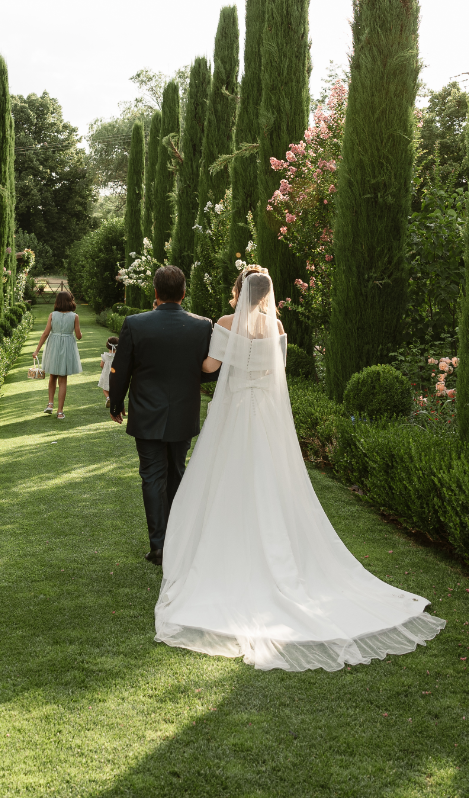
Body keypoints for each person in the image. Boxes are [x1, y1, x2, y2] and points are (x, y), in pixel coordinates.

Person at [153, 266, 445, 671]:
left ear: (240, 291)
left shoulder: (224, 322)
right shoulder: (275, 324)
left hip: (235, 410)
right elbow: (276, 372)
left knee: (226, 480)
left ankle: (228, 546)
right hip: (263, 414)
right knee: (269, 480)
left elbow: (209, 368)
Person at [107, 266, 221, 564]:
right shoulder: (202, 325)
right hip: (183, 414)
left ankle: (159, 545)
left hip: (146, 414)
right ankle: (179, 540)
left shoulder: (135, 323)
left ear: (155, 293)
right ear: (184, 293)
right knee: (177, 472)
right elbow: (209, 374)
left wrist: (116, 404)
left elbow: (121, 371)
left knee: (152, 477)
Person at [33, 289, 84, 418]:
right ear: (69, 301)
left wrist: (37, 350)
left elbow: (45, 333)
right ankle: (60, 411)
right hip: (67, 346)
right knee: (63, 380)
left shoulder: (52, 315)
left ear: (57, 302)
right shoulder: (75, 316)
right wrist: (78, 332)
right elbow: (78, 336)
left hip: (53, 345)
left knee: (52, 376)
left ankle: (50, 404)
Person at [98, 336, 120, 407]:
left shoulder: (105, 356)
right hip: (116, 375)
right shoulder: (118, 356)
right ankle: (115, 400)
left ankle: (108, 398)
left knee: (105, 389)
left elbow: (101, 365)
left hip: (106, 375)